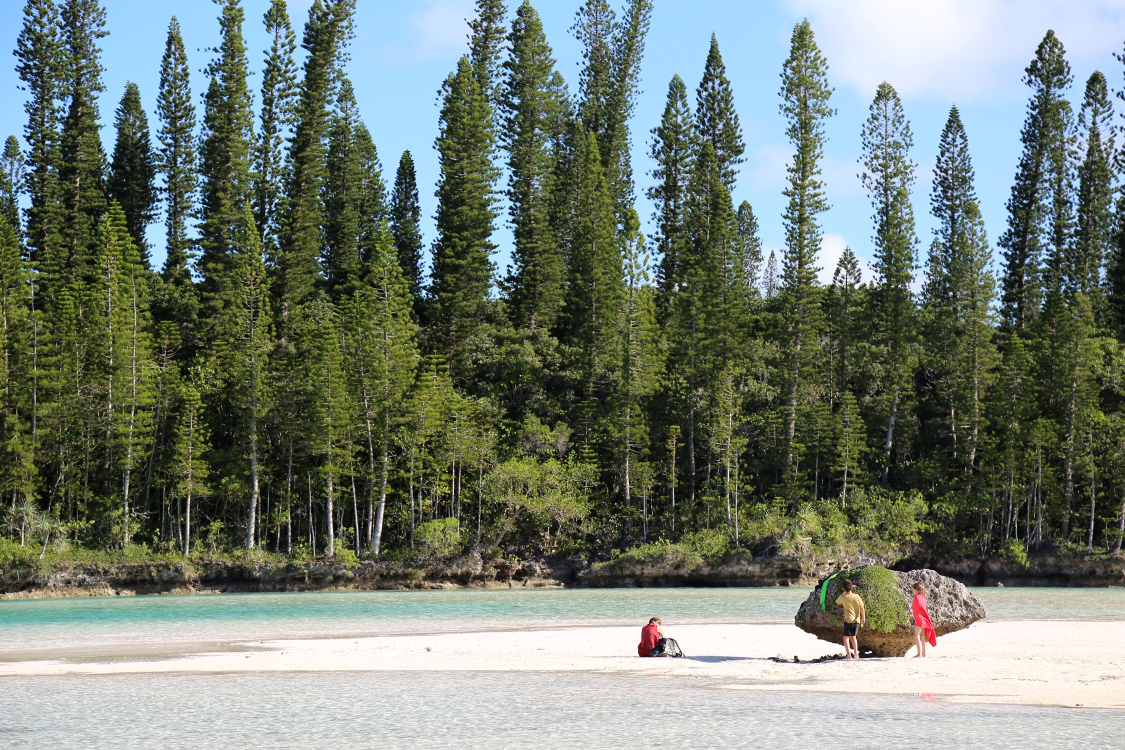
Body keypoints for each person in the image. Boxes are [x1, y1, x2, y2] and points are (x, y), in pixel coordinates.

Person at [835, 579, 866, 659]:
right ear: (852, 587)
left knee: (846, 637)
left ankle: (849, 655)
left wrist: (843, 593)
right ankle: (856, 654)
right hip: (857, 620)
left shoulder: (843, 597)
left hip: (848, 620)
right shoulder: (857, 596)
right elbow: (862, 608)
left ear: (843, 588)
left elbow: (837, 602)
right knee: (853, 637)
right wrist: (863, 618)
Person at [912, 582, 937, 657]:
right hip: (924, 619)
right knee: (923, 636)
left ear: (916, 590)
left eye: (913, 590)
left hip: (919, 619)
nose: (912, 591)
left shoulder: (916, 597)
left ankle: (919, 654)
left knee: (917, 636)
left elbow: (916, 609)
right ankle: (924, 653)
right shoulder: (923, 597)